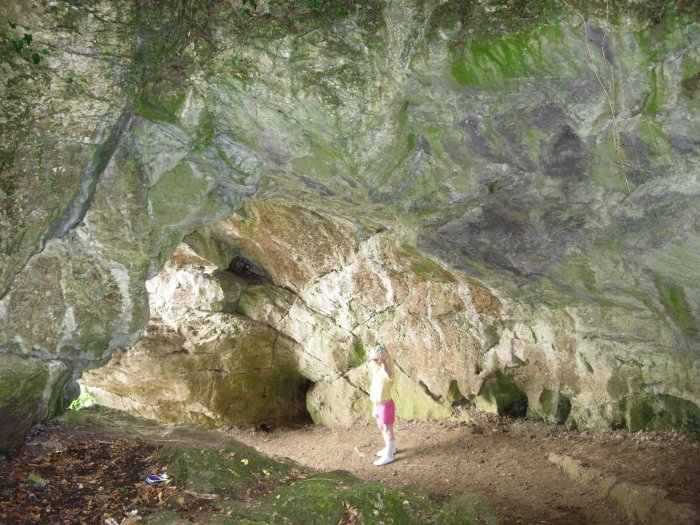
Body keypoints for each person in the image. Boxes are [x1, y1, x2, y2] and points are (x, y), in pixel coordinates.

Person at [369, 345, 396, 466]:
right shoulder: (377, 371)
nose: (375, 362)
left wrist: (384, 363)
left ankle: (389, 455)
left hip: (385, 406)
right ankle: (390, 448)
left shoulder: (387, 371)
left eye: (377, 360)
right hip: (377, 405)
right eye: (374, 360)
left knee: (387, 429)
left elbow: (389, 373)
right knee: (381, 426)